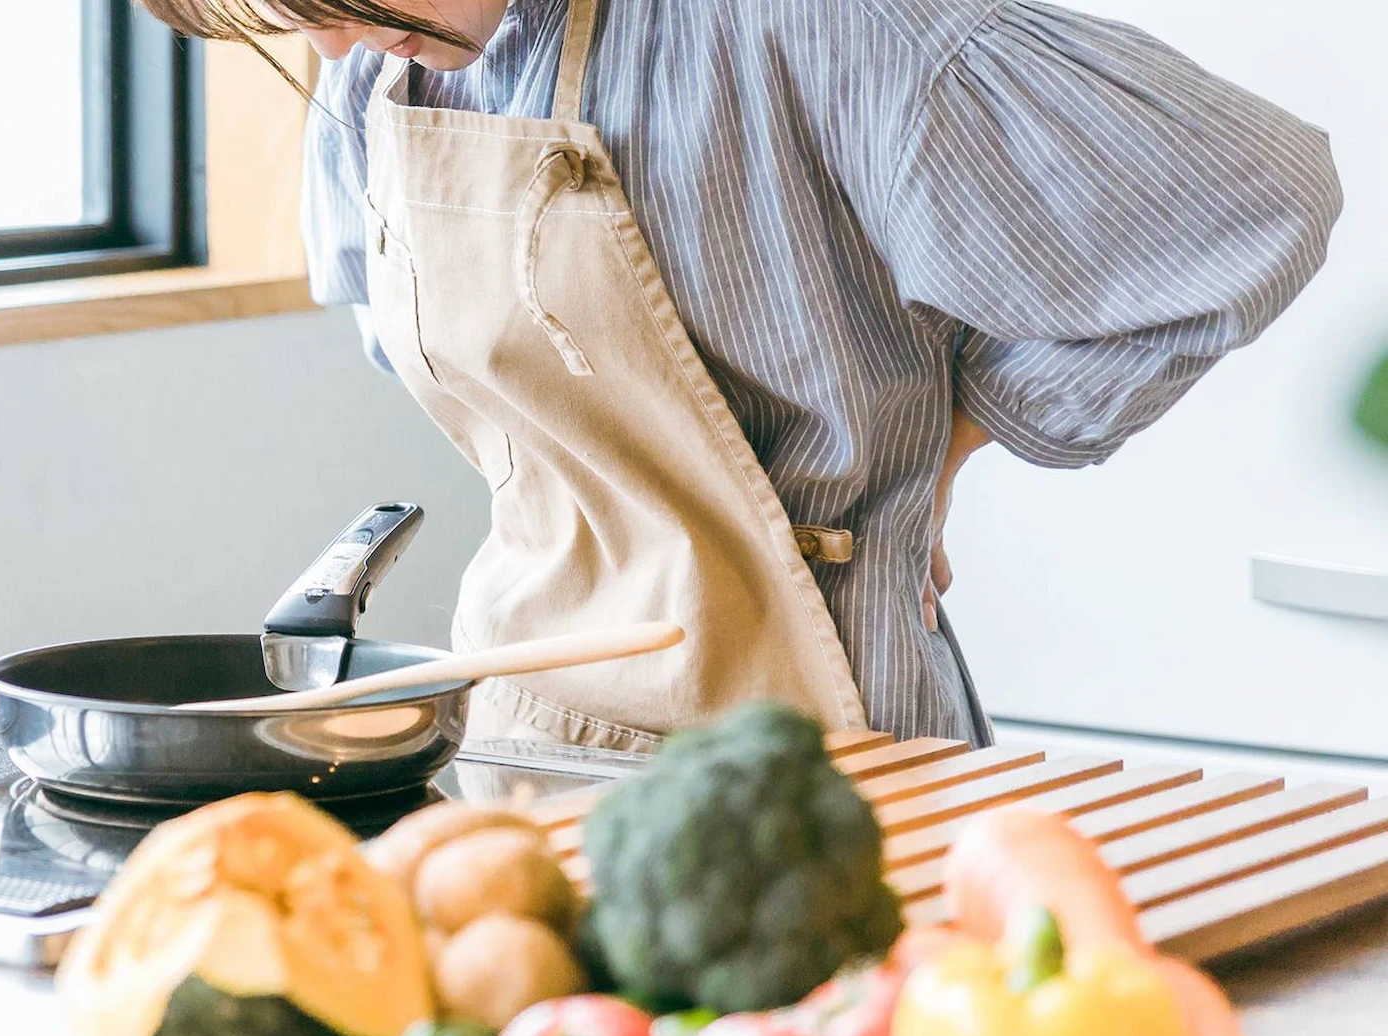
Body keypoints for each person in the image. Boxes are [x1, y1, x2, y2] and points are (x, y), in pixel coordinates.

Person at [144, 0, 1342, 752]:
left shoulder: (821, 29)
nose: (332, 41)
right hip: (523, 725)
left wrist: (952, 447)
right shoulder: (374, 75)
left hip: (809, 739)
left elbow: (1251, 198)